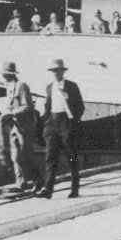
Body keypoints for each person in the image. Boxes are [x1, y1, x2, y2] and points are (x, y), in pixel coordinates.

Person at [35, 59, 85, 199]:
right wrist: (45, 122)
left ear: (63, 72)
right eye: (54, 71)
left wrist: (74, 122)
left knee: (72, 156)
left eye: (58, 71)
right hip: (52, 123)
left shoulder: (72, 86)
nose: (56, 73)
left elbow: (80, 106)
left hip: (67, 123)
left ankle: (75, 189)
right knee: (50, 157)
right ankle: (48, 189)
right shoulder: (50, 87)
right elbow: (48, 106)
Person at [0, 62, 38, 191]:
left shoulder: (21, 86)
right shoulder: (9, 87)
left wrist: (11, 113)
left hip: (25, 127)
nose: (4, 76)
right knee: (15, 156)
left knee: (26, 155)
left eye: (5, 73)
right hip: (14, 126)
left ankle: (38, 180)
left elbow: (27, 106)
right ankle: (20, 182)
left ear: (10, 74)